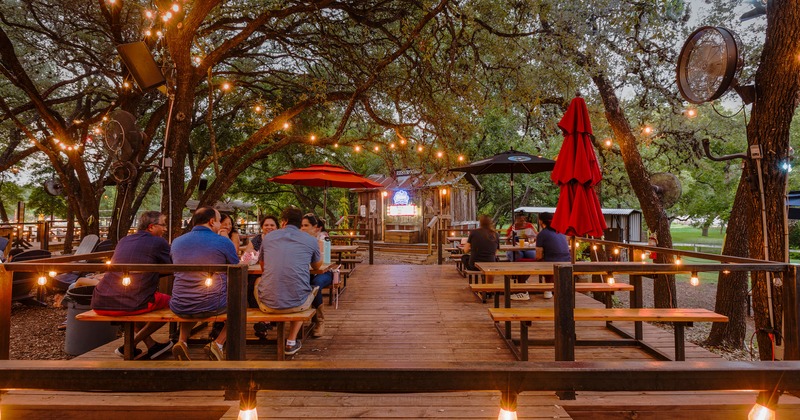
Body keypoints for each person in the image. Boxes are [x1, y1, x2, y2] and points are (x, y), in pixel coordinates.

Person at [91, 211, 173, 360]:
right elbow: (171, 266)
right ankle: (130, 345)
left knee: (134, 301)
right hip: (131, 302)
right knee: (174, 304)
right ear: (151, 227)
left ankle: (151, 346)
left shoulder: (124, 240)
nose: (165, 229)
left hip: (101, 300)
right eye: (163, 225)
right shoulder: (158, 242)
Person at [169, 206, 239, 361]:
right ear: (212, 222)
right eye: (219, 221)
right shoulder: (223, 241)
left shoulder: (177, 242)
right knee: (240, 305)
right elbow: (236, 267)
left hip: (180, 304)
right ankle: (218, 344)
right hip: (212, 304)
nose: (220, 225)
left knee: (192, 296)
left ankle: (182, 341)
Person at [256, 207, 323, 356]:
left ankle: (265, 323)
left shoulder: (268, 238)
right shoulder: (311, 240)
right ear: (300, 223)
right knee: (305, 288)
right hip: (297, 305)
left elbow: (263, 267)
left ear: (283, 222)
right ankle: (291, 341)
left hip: (267, 305)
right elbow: (317, 266)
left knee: (259, 281)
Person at [300, 213, 332, 337]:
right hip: (307, 272)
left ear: (315, 227)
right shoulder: (298, 241)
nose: (303, 228)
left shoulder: (322, 239)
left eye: (306, 225)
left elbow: (321, 263)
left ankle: (320, 321)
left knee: (315, 284)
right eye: (301, 225)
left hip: (325, 272)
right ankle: (300, 318)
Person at [535, 212, 571, 299]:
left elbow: (538, 256)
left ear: (541, 221)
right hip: (568, 261)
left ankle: (547, 288)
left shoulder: (542, 234)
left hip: (552, 263)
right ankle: (551, 287)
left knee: (523, 262)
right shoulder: (560, 232)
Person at [462, 214, 500, 284]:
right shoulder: (496, 234)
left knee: (464, 257)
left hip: (475, 265)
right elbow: (495, 252)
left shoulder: (474, 232)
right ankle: (489, 286)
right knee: (491, 264)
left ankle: (478, 284)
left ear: (480, 222)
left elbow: (465, 250)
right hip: (490, 263)